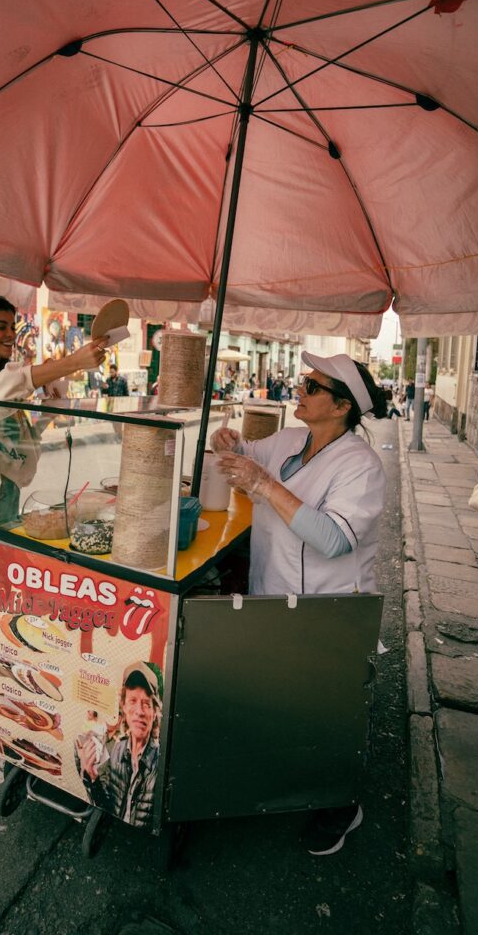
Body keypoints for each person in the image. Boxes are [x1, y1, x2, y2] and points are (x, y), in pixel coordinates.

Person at [211, 351, 388, 855]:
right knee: (283, 699)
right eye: (304, 382)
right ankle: (285, 777)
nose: (300, 390)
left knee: (328, 711)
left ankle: (341, 806)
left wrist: (264, 485)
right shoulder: (291, 440)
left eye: (312, 387)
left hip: (328, 608)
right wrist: (227, 442)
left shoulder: (361, 466)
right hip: (276, 592)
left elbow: (333, 539)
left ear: (341, 406)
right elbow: (242, 452)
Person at [0, 294, 106, 757]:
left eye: (13, 325)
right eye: (0, 326)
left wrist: (50, 407)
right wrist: (69, 362)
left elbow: (21, 450)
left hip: (5, 513)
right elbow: (0, 392)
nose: (10, 334)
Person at [75, 661, 161, 828]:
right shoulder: (117, 751)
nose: (139, 711)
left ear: (154, 712)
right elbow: (108, 806)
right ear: (123, 707)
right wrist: (92, 776)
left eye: (146, 703)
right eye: (132, 701)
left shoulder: (161, 762)